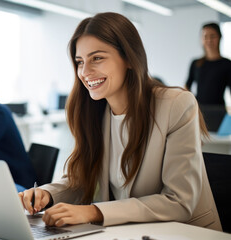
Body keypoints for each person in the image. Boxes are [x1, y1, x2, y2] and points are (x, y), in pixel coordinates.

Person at [19, 12, 222, 231]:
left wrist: (94, 211)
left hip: (185, 233)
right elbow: (82, 177)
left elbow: (179, 202)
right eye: (80, 62)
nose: (85, 72)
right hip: (128, 232)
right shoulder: (93, 111)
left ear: (129, 58)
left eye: (97, 58)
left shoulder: (176, 105)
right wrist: (47, 194)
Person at [185, 22, 231, 108]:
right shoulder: (196, 63)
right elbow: (187, 86)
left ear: (219, 38)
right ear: (201, 39)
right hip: (199, 110)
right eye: (205, 37)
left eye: (212, 36)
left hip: (219, 111)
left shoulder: (227, 64)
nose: (209, 40)